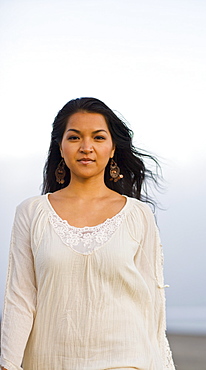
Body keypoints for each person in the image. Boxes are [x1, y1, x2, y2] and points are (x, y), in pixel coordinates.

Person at [0, 97, 175, 370]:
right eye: (74, 138)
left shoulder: (138, 215)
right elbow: (20, 298)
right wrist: (8, 364)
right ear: (60, 146)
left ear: (113, 147)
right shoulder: (31, 213)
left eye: (98, 137)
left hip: (127, 360)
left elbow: (152, 303)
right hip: (49, 361)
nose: (86, 148)